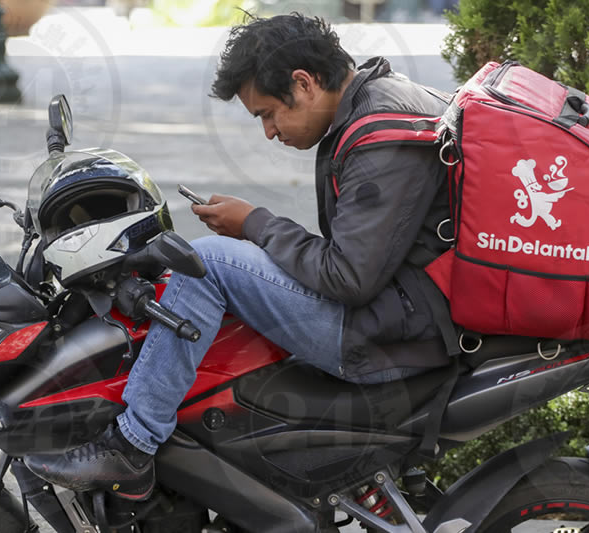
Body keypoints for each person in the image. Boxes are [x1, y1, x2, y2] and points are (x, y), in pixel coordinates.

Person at [24, 12, 453, 501]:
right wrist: (255, 228)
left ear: (304, 83)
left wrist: (255, 224)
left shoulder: (382, 137)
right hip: (399, 314)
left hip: (391, 335)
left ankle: (133, 443)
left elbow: (349, 276)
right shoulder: (374, 103)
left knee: (208, 264)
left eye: (268, 114)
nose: (269, 132)